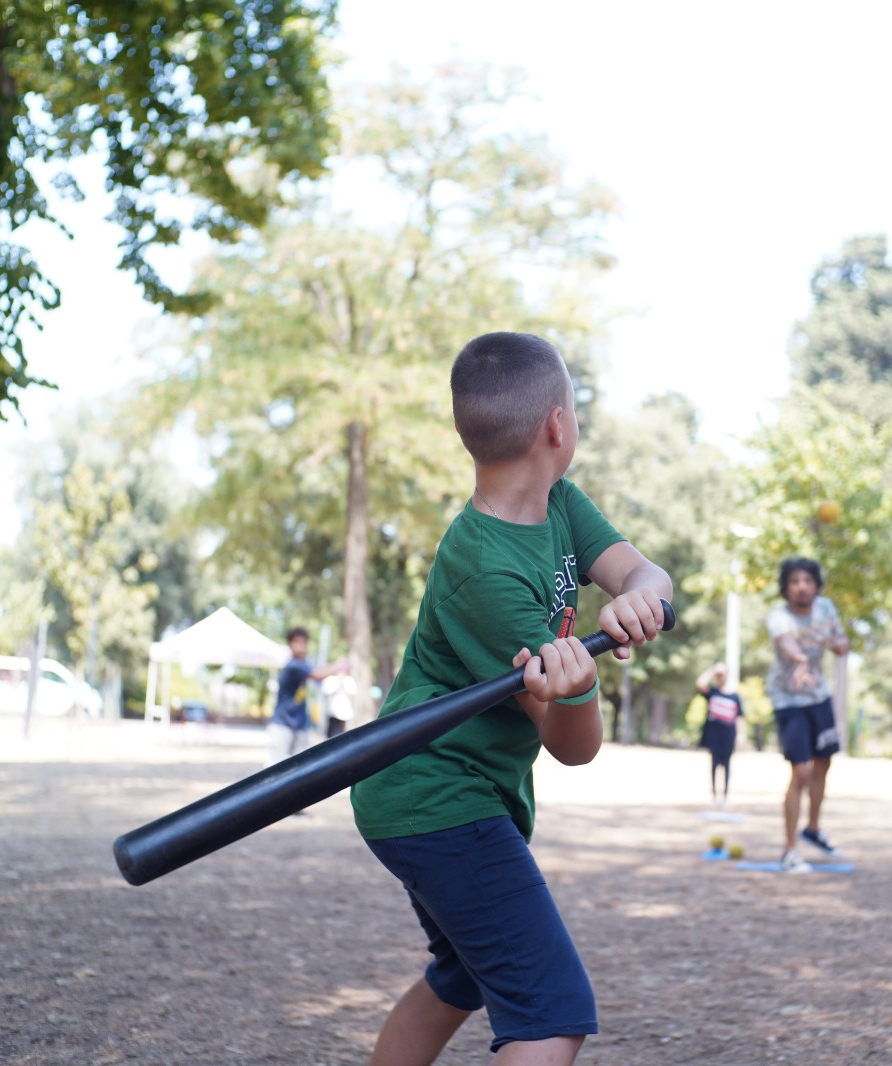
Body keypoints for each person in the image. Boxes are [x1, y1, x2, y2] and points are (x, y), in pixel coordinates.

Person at [350, 332, 672, 1065]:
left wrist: (640, 601)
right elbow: (572, 745)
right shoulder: (480, 569)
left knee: (461, 978)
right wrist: (580, 685)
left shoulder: (562, 504)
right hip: (434, 791)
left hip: (440, 789)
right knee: (550, 1013)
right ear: (558, 425)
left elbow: (641, 571)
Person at [765, 557, 850, 872]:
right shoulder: (779, 615)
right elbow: (785, 641)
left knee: (823, 763)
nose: (801, 586)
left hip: (819, 696)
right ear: (786, 588)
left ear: (816, 584)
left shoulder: (826, 609)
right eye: (794, 581)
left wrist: (841, 643)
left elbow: (840, 642)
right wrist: (800, 659)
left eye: (807, 580)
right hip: (788, 698)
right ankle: (790, 850)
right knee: (800, 772)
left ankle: (813, 829)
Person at [267, 627, 346, 766]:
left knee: (300, 766)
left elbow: (318, 676)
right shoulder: (293, 665)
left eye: (304, 642)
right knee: (275, 766)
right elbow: (317, 674)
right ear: (290, 644)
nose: (301, 646)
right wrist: (338, 665)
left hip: (300, 723)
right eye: (296, 641)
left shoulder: (304, 665)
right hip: (282, 723)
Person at [694, 661, 744, 806]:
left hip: (728, 736)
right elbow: (700, 683)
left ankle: (726, 797)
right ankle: (715, 796)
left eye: (722, 674)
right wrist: (713, 670)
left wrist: (741, 735)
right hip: (713, 736)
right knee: (714, 765)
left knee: (727, 766)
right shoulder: (712, 693)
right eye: (718, 675)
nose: (720, 677)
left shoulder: (735, 697)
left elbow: (740, 717)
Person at [321, 672, 357, 737]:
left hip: (345, 712)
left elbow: (352, 692)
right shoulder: (332, 679)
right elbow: (327, 691)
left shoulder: (348, 680)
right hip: (333, 712)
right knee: (332, 733)